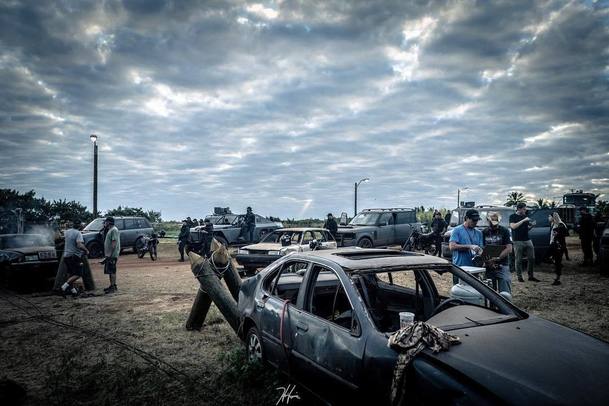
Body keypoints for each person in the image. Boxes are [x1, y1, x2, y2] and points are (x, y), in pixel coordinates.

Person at [449, 209, 484, 284]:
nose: (475, 222)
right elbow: (452, 246)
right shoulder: (457, 230)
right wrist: (469, 246)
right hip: (460, 268)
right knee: (459, 291)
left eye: (477, 220)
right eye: (473, 220)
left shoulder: (479, 233)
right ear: (467, 218)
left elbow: (481, 248)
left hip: (474, 269)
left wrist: (480, 252)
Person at [482, 212, 512, 294]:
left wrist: (498, 258)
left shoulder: (504, 231)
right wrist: (489, 262)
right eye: (492, 223)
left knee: (505, 283)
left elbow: (509, 248)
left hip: (502, 264)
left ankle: (505, 303)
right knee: (489, 290)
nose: (494, 225)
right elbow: (482, 249)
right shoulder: (484, 232)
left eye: (496, 223)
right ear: (488, 221)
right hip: (488, 265)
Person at [509, 202, 539, 282]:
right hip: (517, 240)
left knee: (532, 258)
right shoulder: (512, 216)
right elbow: (513, 226)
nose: (525, 210)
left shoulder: (525, 216)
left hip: (527, 239)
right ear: (519, 209)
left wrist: (532, 225)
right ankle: (519, 277)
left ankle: (531, 276)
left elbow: (527, 228)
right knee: (518, 259)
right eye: (524, 209)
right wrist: (523, 220)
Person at [60, 219, 90, 297]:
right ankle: (63, 287)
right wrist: (86, 250)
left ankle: (73, 291)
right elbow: (79, 245)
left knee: (71, 274)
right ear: (79, 225)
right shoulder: (78, 233)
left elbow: (61, 238)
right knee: (78, 274)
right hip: (74, 256)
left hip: (66, 256)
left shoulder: (67, 232)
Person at [549, 212, 568, 285]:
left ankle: (557, 279)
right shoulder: (553, 224)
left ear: (553, 217)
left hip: (559, 246)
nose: (548, 218)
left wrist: (558, 233)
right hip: (554, 245)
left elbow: (566, 234)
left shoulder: (560, 224)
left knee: (557, 262)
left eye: (549, 216)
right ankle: (557, 276)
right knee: (555, 261)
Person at [102, 217, 120, 294]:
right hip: (110, 254)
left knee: (112, 271)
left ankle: (113, 287)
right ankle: (112, 285)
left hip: (112, 254)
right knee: (110, 270)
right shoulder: (111, 230)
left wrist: (109, 254)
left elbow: (113, 243)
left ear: (108, 222)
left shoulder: (114, 230)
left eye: (105, 222)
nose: (104, 223)